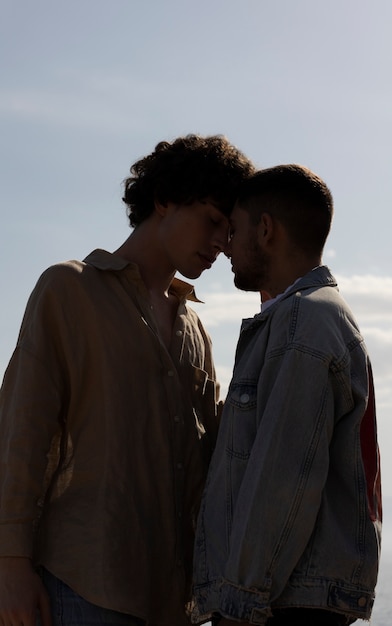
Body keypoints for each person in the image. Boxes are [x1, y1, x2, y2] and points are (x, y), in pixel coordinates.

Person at [0, 134, 254, 626]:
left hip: (173, 600)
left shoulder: (195, 329)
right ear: (163, 200)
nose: (222, 243)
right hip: (80, 586)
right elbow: (20, 435)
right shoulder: (69, 289)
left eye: (230, 228)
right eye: (214, 220)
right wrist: (10, 566)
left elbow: (212, 463)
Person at [192, 165, 382, 626]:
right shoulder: (308, 317)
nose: (226, 246)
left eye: (234, 230)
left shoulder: (304, 321)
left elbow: (283, 476)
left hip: (282, 605)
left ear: (265, 229)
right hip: (290, 597)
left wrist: (242, 601)